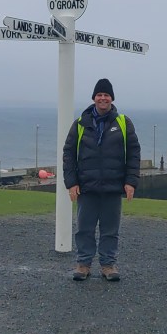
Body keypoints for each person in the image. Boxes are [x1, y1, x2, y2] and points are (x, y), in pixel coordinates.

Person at [63, 78, 141, 282]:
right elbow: (69, 154)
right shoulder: (80, 123)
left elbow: (133, 153)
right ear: (94, 98)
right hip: (86, 187)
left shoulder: (123, 123)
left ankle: (108, 264)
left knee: (110, 230)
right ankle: (83, 264)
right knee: (84, 229)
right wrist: (71, 182)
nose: (103, 98)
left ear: (112, 98)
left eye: (106, 95)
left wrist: (131, 182)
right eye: (99, 95)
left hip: (113, 187)